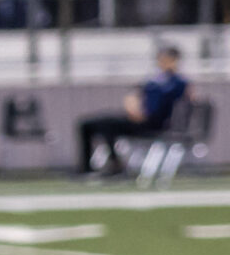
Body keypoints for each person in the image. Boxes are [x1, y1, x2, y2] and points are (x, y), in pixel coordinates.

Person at [78, 45, 187, 173]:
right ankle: (87, 168)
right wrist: (133, 106)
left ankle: (115, 164)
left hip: (152, 124)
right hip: (136, 118)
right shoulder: (155, 80)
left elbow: (181, 100)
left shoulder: (177, 82)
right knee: (87, 125)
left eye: (165, 59)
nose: (161, 62)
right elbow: (135, 94)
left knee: (109, 126)